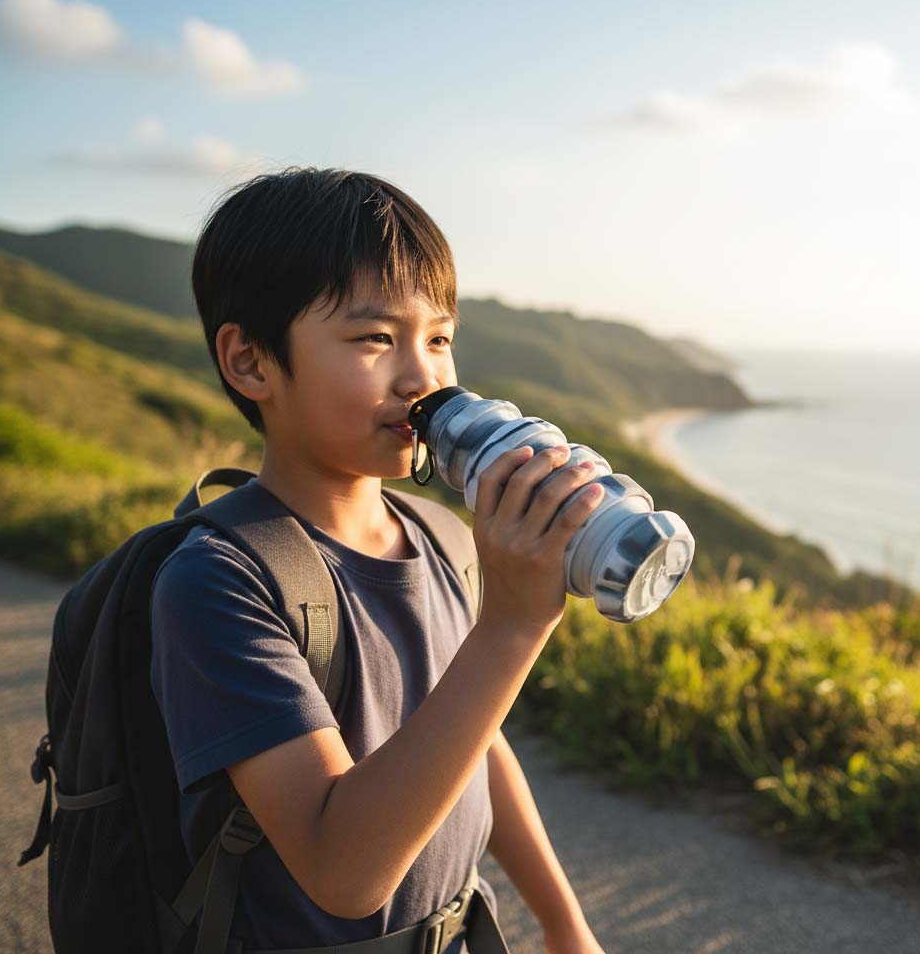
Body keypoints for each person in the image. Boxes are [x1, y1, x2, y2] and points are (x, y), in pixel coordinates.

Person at [149, 167, 606, 953]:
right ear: (252, 363)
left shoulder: (443, 536)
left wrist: (565, 925)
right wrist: (513, 626)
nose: (423, 377)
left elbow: (474, 745)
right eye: (374, 338)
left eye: (438, 338)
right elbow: (343, 873)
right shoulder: (220, 580)